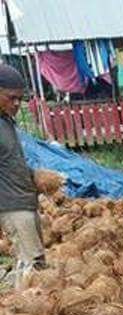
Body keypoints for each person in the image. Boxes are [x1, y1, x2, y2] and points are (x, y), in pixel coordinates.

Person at [0, 63, 45, 285]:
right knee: (33, 265)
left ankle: (23, 306)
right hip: (12, 206)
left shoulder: (6, 123)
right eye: (11, 97)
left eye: (20, 98)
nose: (17, 103)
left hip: (25, 202)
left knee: (32, 261)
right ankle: (27, 310)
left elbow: (11, 162)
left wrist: (33, 175)